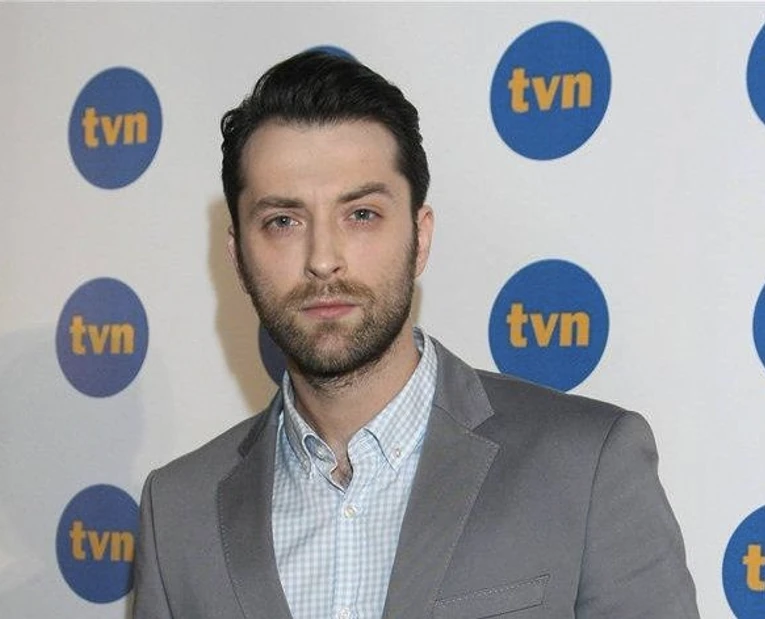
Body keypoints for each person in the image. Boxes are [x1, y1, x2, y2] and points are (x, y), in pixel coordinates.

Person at [133, 51, 699, 619]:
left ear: (420, 238)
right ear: (238, 258)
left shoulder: (585, 467)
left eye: (361, 214)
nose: (323, 259)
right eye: (283, 221)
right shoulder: (177, 512)